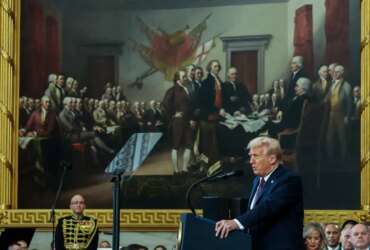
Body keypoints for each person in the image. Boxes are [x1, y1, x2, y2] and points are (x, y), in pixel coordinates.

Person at [214, 136, 304, 250]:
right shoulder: (257, 180)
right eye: (250, 156)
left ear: (272, 159)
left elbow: (268, 207)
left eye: (255, 156)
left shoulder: (289, 179)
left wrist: (236, 222)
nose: (251, 161)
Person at [162, 70, 193, 173]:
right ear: (178, 78)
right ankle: (176, 170)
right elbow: (165, 104)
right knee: (176, 146)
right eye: (183, 76)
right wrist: (173, 115)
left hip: (186, 121)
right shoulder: (172, 90)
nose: (185, 78)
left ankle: (184, 169)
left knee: (189, 145)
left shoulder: (186, 88)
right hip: (177, 122)